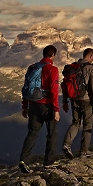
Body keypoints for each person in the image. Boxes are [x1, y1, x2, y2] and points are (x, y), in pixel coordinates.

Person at [19, 44, 60, 173]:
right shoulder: (52, 69)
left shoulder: (32, 67)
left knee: (32, 133)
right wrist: (56, 109)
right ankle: (49, 162)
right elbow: (54, 91)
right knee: (52, 133)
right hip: (47, 105)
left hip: (33, 105)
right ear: (53, 55)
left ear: (43, 54)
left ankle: (24, 161)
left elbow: (26, 87)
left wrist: (25, 106)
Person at [62, 48, 93, 158]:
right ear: (91, 56)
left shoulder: (74, 67)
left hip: (74, 99)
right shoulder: (91, 68)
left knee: (75, 123)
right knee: (87, 124)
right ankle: (84, 151)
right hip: (86, 100)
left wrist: (65, 101)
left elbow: (65, 85)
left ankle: (66, 144)